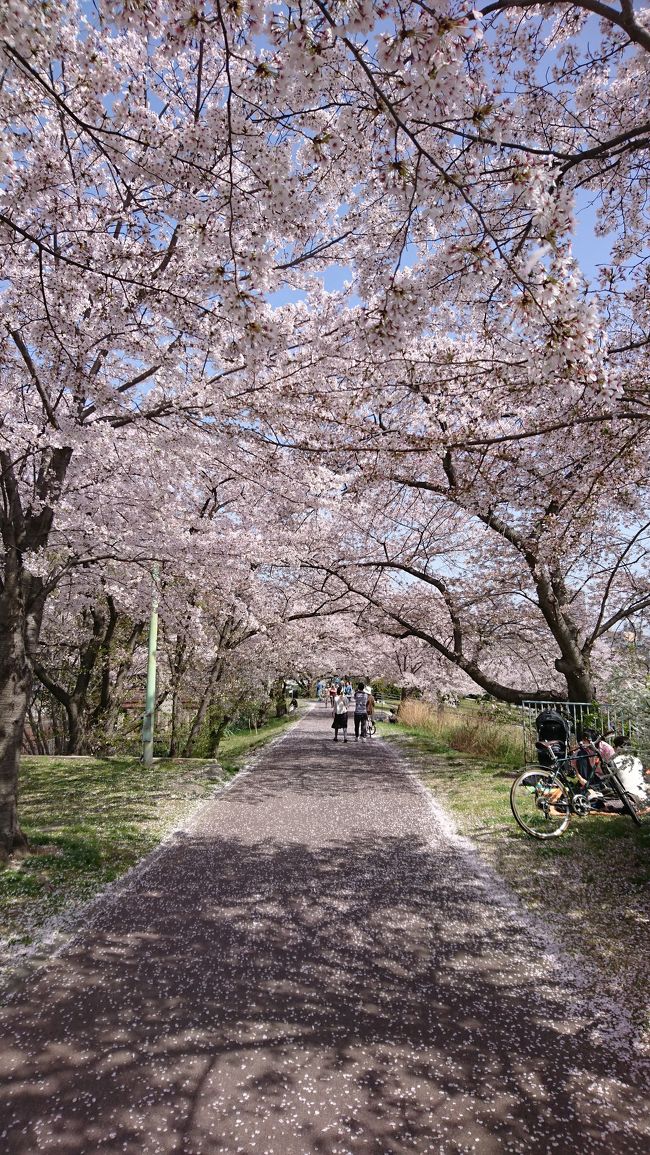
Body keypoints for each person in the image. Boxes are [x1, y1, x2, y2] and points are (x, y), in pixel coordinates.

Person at [611, 735, 650, 807]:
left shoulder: (614, 761)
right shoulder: (637, 760)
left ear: (617, 748)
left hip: (628, 798)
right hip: (643, 796)